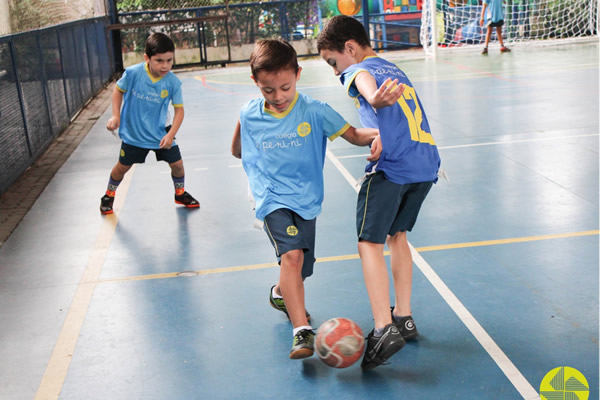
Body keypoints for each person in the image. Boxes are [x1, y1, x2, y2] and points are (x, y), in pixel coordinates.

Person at [231, 39, 380, 360]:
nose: (278, 97)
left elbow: (354, 135)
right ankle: (301, 332)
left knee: (301, 269)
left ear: (298, 74)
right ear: (255, 82)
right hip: (270, 199)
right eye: (268, 90)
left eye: (285, 87)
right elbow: (237, 148)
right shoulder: (249, 113)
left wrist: (383, 135)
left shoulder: (314, 111)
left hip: (306, 200)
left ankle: (280, 294)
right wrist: (257, 174)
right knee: (293, 257)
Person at [317, 15, 441, 370]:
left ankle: (384, 328)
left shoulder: (358, 70)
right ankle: (403, 316)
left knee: (368, 243)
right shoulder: (394, 68)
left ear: (350, 48)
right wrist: (378, 123)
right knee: (396, 235)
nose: (334, 70)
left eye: (332, 61)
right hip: (425, 163)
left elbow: (363, 82)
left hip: (394, 166)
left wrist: (373, 98)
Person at [100, 32, 199, 215]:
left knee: (177, 165)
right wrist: (116, 116)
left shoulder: (173, 83)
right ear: (147, 58)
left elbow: (179, 111)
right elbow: (117, 91)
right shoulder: (133, 74)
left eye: (169, 60)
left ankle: (179, 193)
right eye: (159, 60)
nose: (165, 66)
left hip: (161, 132)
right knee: (122, 167)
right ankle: (108, 195)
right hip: (134, 133)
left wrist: (170, 135)